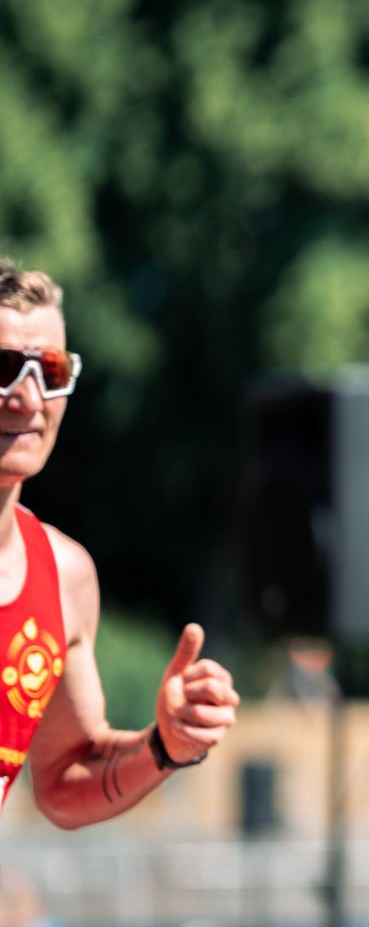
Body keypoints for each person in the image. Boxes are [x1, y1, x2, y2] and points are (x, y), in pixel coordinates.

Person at [0, 259, 240, 827]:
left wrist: (166, 745)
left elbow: (64, 781)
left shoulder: (62, 575)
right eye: (5, 367)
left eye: (50, 370)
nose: (29, 398)